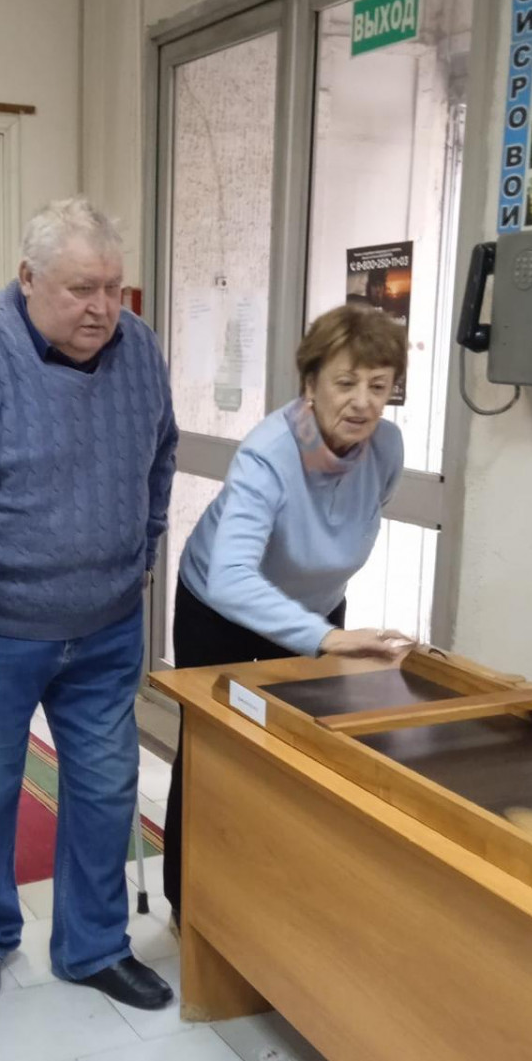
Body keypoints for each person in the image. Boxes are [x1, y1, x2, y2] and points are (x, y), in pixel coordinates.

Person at [0, 197, 178, 1011]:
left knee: (105, 786)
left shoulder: (139, 348)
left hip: (106, 625)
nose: (101, 309)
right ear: (27, 279)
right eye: (81, 288)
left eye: (114, 288)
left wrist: (140, 557)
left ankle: (92, 945)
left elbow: (160, 456)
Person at [163, 305, 413, 924]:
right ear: (310, 383)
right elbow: (230, 577)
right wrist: (327, 639)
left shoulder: (386, 447)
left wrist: (327, 629)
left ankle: (273, 896)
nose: (362, 402)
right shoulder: (269, 452)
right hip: (219, 611)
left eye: (378, 386)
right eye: (345, 382)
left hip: (315, 612)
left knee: (296, 751)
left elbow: (350, 521)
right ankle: (189, 902)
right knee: (215, 749)